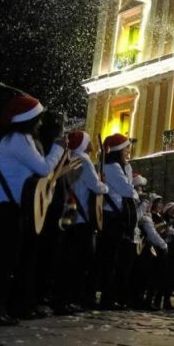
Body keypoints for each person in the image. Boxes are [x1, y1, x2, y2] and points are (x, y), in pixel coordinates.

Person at [0, 95, 65, 326]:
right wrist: (58, 151)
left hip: (7, 205)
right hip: (4, 207)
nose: (41, 124)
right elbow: (42, 169)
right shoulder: (18, 140)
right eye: (38, 119)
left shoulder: (16, 139)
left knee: (0, 260)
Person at [57, 131, 108, 312]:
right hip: (82, 216)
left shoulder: (72, 158)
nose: (92, 143)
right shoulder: (84, 160)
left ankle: (67, 298)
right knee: (79, 261)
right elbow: (96, 186)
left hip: (73, 215)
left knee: (70, 259)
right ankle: (74, 298)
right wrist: (105, 185)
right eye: (89, 139)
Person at [96, 133, 137, 310]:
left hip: (116, 218)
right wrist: (134, 183)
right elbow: (127, 190)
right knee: (110, 261)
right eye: (127, 147)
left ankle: (112, 297)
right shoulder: (112, 167)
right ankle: (107, 298)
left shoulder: (118, 166)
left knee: (116, 260)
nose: (129, 151)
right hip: (111, 217)